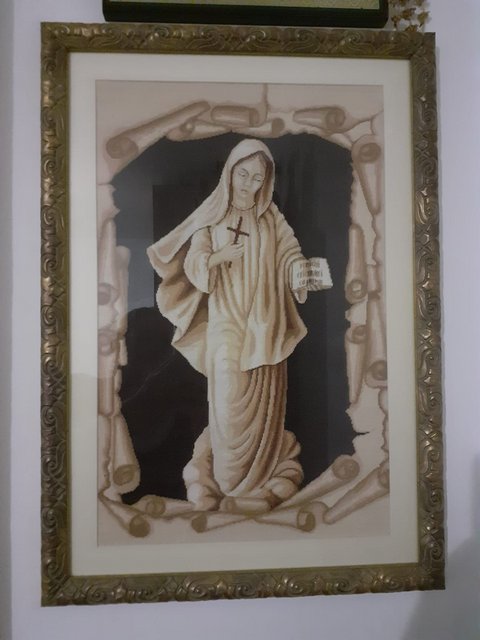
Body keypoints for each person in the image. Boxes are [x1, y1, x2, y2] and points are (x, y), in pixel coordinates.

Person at [147, 138, 316, 513]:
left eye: (258, 178)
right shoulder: (214, 217)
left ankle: (259, 480)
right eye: (243, 174)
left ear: (266, 181)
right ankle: (226, 483)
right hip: (226, 323)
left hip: (265, 326)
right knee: (227, 400)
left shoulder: (271, 218)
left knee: (264, 407)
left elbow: (290, 252)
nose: (249, 184)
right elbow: (194, 262)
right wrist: (216, 257)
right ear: (230, 173)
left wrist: (298, 273)